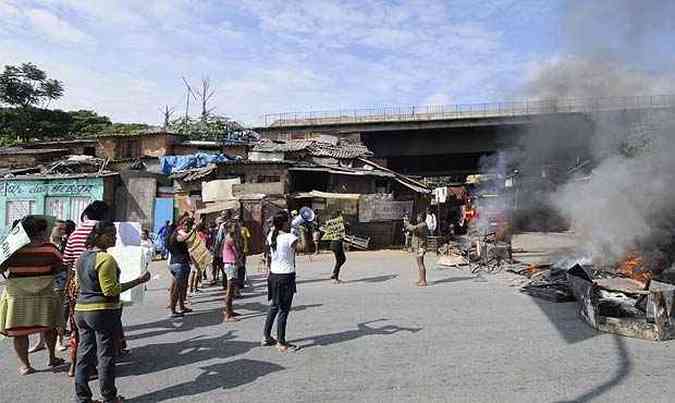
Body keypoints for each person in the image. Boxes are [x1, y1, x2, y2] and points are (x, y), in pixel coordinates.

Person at [73, 221, 150, 403]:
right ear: (99, 236)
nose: (115, 237)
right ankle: (109, 396)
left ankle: (82, 398)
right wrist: (138, 281)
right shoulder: (105, 259)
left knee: (84, 354)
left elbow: (78, 284)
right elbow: (110, 290)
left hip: (81, 311)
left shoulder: (81, 257)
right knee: (105, 354)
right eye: (111, 234)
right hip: (102, 311)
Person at [0, 216, 66, 375]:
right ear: (41, 231)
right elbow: (60, 268)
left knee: (20, 332)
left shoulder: (11, 249)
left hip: (17, 295)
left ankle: (25, 366)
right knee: (49, 328)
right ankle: (51, 357)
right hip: (45, 294)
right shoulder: (50, 249)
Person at [63, 201, 110, 377]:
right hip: (98, 283)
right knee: (99, 327)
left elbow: (66, 261)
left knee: (77, 327)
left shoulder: (74, 233)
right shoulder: (103, 232)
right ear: (104, 215)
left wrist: (67, 286)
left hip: (76, 282)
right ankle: (93, 366)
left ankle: (75, 364)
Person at [29, 220, 68, 354]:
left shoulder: (65, 243)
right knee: (42, 312)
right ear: (52, 229)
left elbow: (66, 263)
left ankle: (59, 341)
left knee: (59, 312)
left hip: (60, 281)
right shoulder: (44, 243)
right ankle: (40, 341)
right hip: (43, 281)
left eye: (64, 229)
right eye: (60, 229)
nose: (63, 232)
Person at [262, 211, 299, 352]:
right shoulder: (290, 237)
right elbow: (299, 248)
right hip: (286, 276)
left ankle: (266, 336)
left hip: (274, 275)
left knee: (274, 306)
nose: (290, 222)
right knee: (283, 310)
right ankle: (281, 342)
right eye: (288, 220)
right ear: (284, 223)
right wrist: (297, 231)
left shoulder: (272, 234)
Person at [166, 221, 192, 318]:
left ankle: (181, 306)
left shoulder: (170, 238)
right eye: (183, 225)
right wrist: (194, 229)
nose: (184, 227)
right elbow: (185, 238)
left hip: (175, 264)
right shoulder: (176, 237)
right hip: (179, 265)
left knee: (181, 288)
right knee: (177, 289)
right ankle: (173, 310)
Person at [222, 223, 241, 321]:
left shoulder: (228, 237)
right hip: (231, 264)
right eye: (235, 227)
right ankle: (227, 315)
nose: (237, 228)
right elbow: (236, 252)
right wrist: (239, 262)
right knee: (229, 291)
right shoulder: (230, 239)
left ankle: (229, 310)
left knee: (231, 290)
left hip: (230, 264)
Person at [405, 213, 429, 287]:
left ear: (422, 218)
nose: (417, 218)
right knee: (419, 264)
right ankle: (421, 279)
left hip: (421, 246)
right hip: (418, 246)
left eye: (418, 217)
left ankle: (423, 280)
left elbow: (413, 228)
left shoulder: (423, 225)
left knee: (421, 264)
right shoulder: (421, 225)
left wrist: (407, 223)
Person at [238, 218, 252, 289]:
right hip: (239, 249)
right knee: (239, 265)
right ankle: (240, 281)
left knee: (242, 265)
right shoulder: (237, 229)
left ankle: (242, 281)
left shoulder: (244, 229)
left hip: (244, 248)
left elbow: (249, 236)